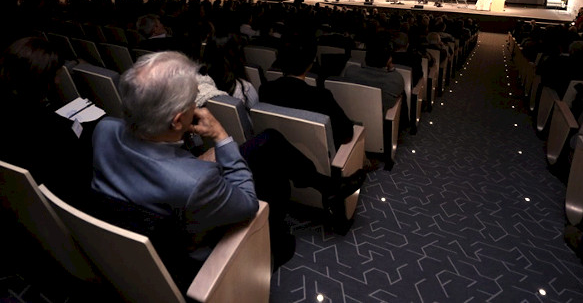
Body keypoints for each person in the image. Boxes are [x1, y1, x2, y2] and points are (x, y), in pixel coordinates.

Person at [92, 52, 363, 280]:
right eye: (192, 101)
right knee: (272, 178)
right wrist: (221, 137)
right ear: (177, 121)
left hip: (163, 189)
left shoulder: (104, 129)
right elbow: (247, 203)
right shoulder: (196, 182)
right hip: (196, 244)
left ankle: (327, 186)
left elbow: (163, 169)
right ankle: (277, 238)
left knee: (268, 141)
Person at [0, 37, 94, 206]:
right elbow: (81, 177)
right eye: (56, 74)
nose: (58, 81)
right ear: (44, 78)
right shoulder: (54, 129)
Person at [259, 36, 354, 150]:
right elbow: (346, 133)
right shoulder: (321, 97)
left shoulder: (265, 89)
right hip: (316, 158)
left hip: (279, 151)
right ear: (310, 64)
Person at [343, 33, 405, 116]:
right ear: (389, 59)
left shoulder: (350, 71)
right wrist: (391, 68)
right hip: (380, 124)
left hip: (351, 119)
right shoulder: (395, 80)